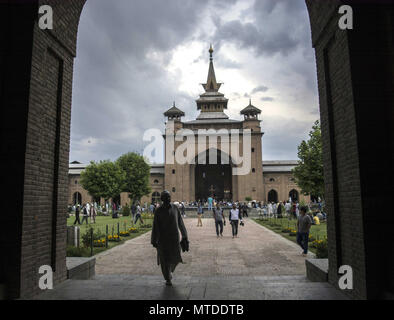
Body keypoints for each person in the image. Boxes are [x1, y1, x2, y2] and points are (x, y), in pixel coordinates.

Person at [151, 191, 188, 286]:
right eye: (166, 197)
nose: (168, 198)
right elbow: (155, 226)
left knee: (176, 257)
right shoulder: (158, 211)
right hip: (162, 239)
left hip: (174, 238)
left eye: (169, 197)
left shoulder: (175, 208)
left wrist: (184, 235)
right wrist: (154, 240)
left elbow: (181, 223)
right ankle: (167, 278)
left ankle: (170, 270)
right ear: (162, 199)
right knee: (164, 260)